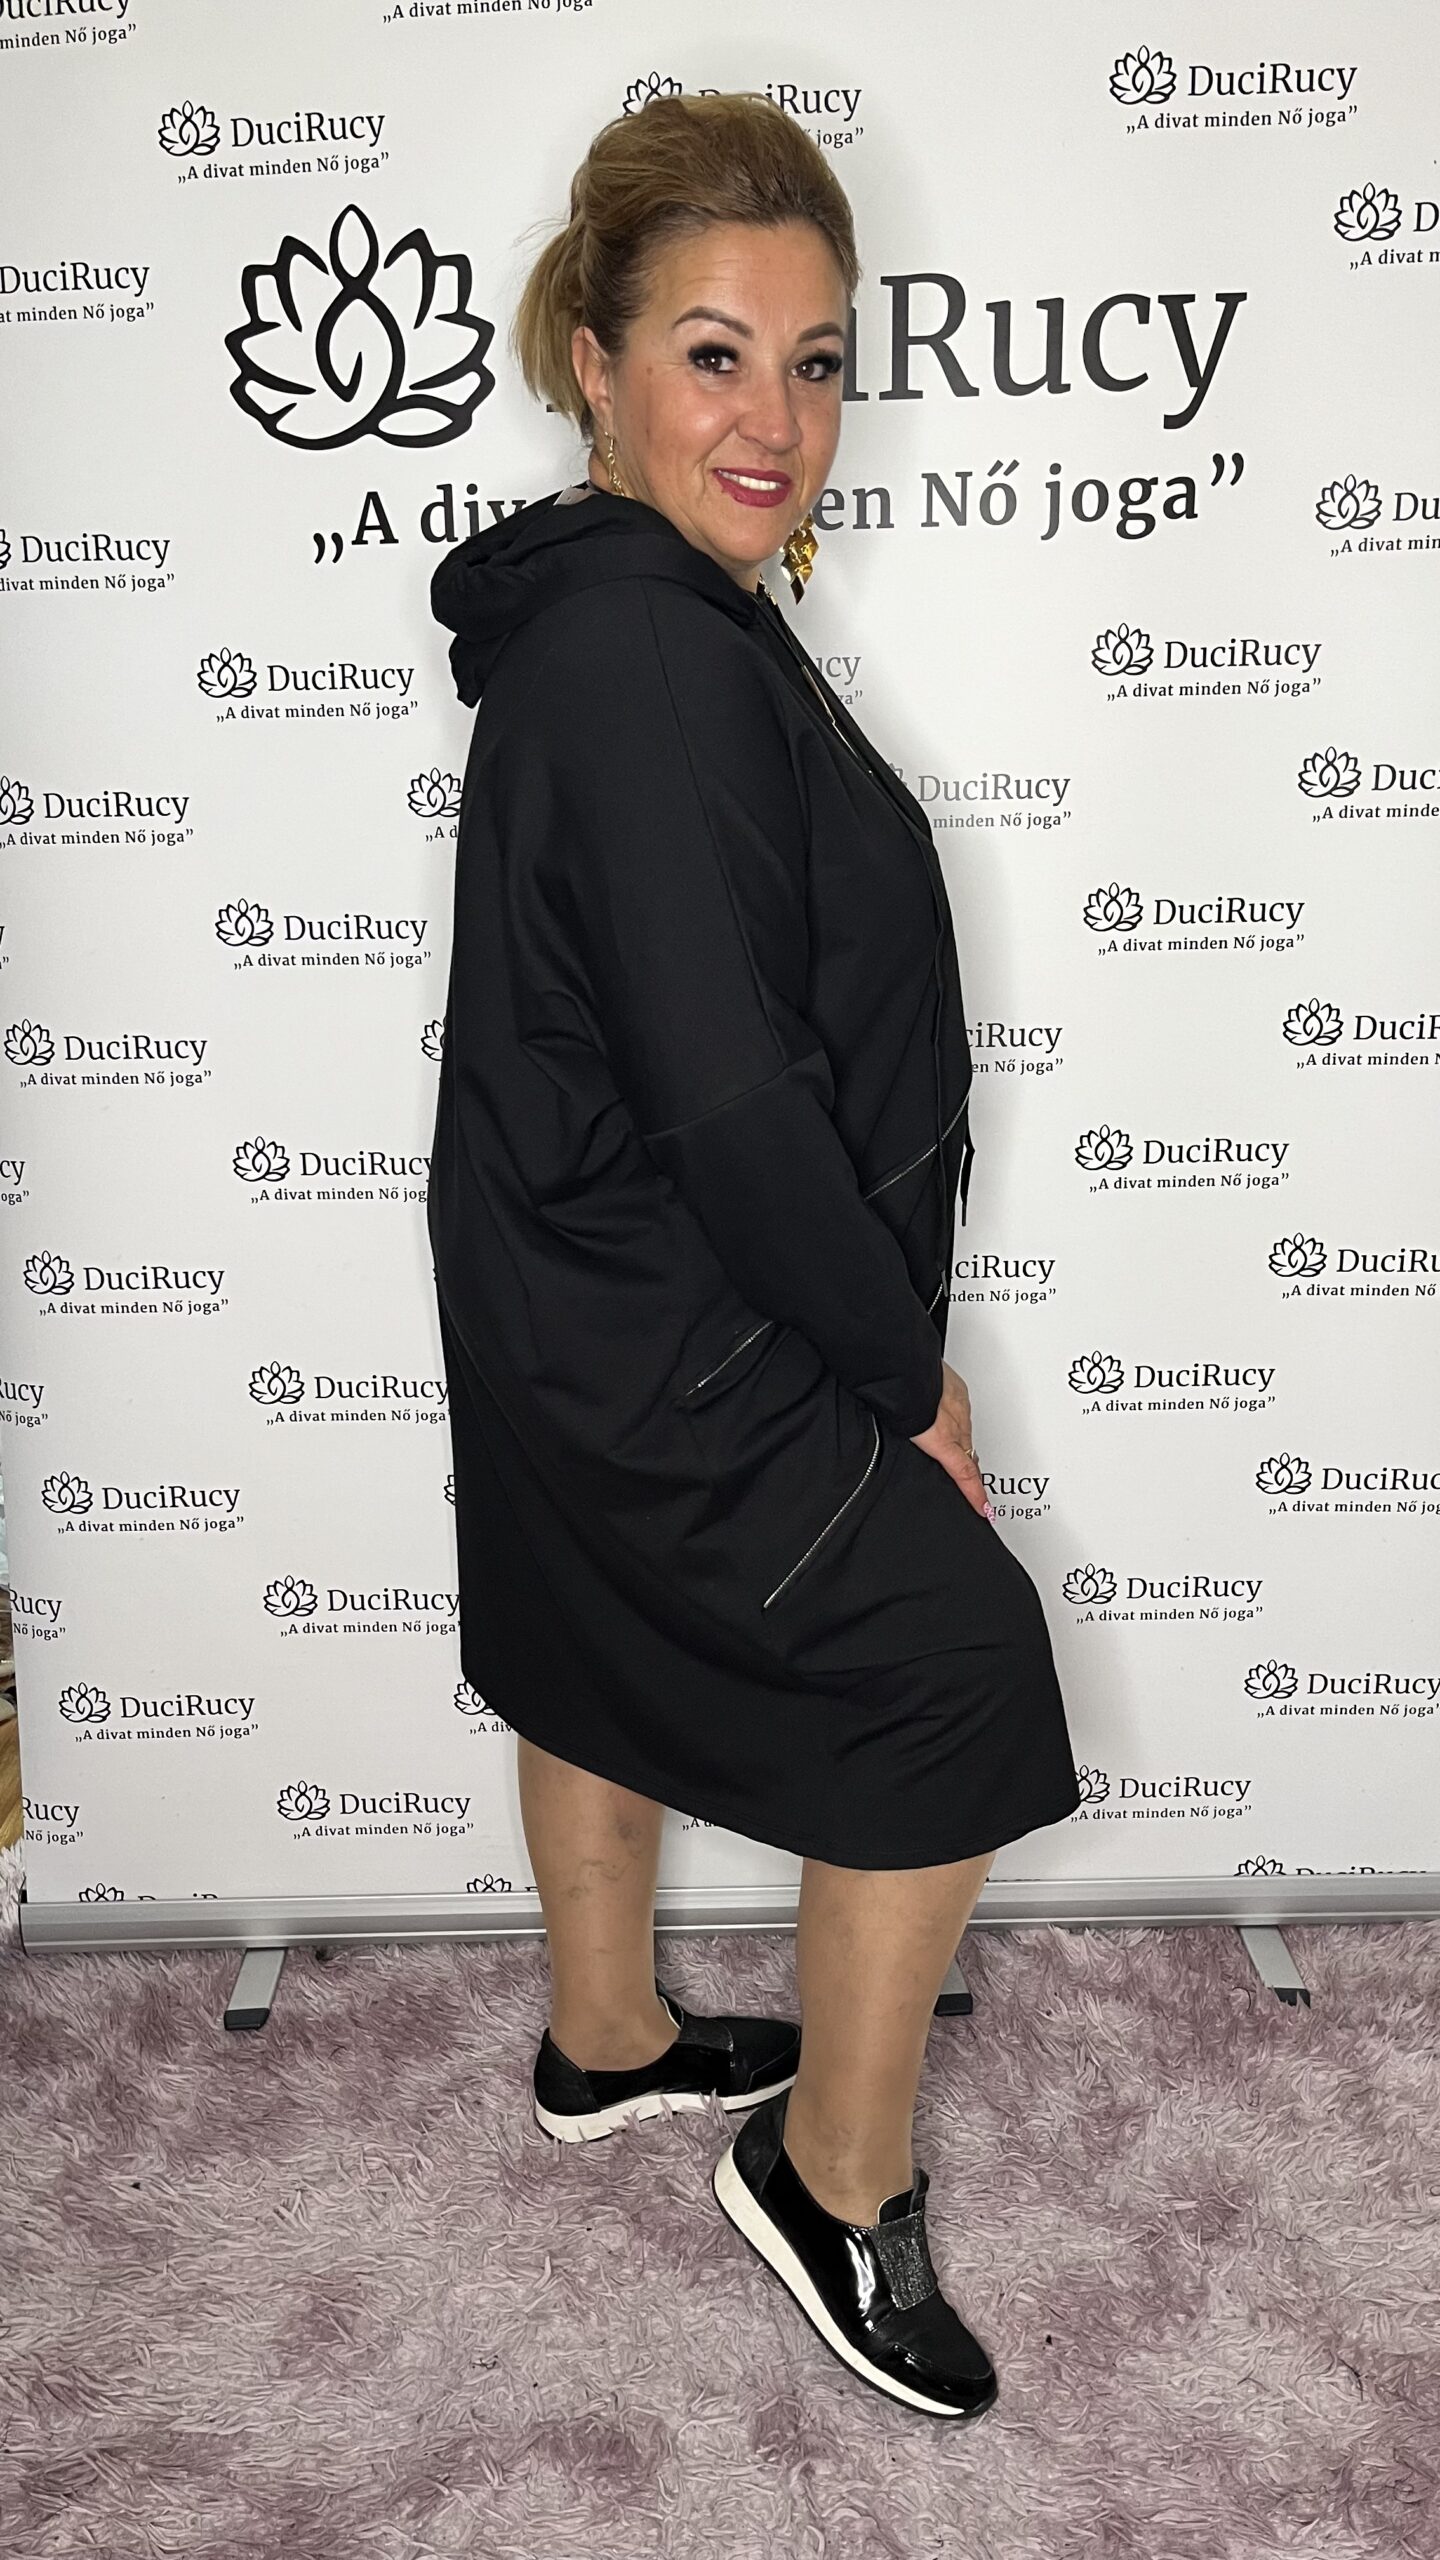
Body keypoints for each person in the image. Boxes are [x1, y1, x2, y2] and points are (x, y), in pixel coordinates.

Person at [427, 91, 1082, 2421]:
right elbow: (731, 1095)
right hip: (667, 1287)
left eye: (815, 365)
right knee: (957, 1669)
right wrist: (905, 1378)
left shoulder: (616, 617)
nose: (775, 420)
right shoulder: (647, 652)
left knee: (575, 1609)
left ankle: (607, 2038)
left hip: (561, 1251)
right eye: (714, 354)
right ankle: (830, 2172)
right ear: (592, 362)